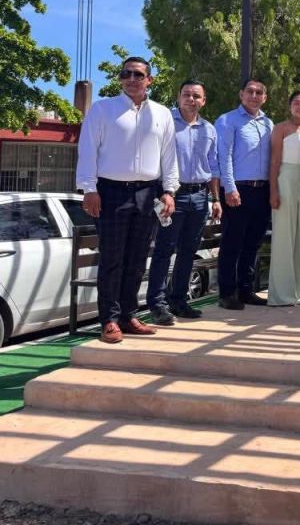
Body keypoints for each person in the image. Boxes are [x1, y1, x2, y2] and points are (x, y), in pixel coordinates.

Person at [76, 56, 178, 344]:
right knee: (112, 258)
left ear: (149, 80)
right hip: (111, 192)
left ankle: (128, 315)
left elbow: (169, 155)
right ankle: (109, 319)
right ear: (120, 78)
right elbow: (87, 150)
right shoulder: (102, 109)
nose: (131, 79)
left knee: (137, 258)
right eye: (126, 74)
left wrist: (169, 190)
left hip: (148, 192)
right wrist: (89, 188)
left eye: (138, 74)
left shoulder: (162, 114)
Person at [146, 80, 222, 323]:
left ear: (203, 101)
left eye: (196, 96)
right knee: (164, 249)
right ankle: (157, 304)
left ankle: (178, 300)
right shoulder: (165, 122)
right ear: (178, 97)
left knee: (189, 251)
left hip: (199, 197)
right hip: (170, 195)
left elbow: (213, 166)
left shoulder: (209, 129)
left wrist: (216, 199)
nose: (191, 99)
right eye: (187, 95)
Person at [215, 78, 274, 310]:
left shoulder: (268, 123)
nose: (254, 96)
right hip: (238, 189)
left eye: (259, 92)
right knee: (232, 242)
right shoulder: (228, 120)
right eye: (250, 91)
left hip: (262, 190)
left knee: (253, 243)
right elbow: (224, 156)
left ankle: (246, 290)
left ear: (265, 97)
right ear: (241, 95)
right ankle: (227, 293)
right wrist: (230, 188)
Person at [267, 90, 300, 306]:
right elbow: (274, 162)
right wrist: (273, 191)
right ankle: (282, 294)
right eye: (297, 102)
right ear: (290, 106)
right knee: (284, 237)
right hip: (285, 180)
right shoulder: (281, 128)